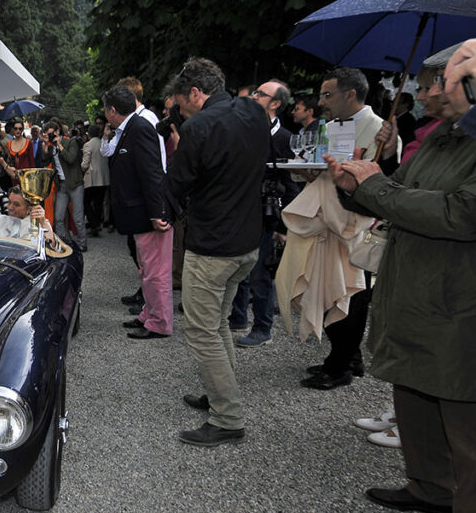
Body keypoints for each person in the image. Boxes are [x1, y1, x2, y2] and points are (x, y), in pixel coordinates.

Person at [324, 41, 476, 513]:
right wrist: (356, 184)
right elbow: (399, 192)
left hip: (460, 299)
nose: (431, 91)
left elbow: (461, 214)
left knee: (462, 410)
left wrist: (379, 190)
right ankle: (430, 486)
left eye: (442, 82)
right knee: (414, 391)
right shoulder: (442, 137)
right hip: (416, 289)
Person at [165, 57, 271, 447]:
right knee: (221, 321)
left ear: (195, 92)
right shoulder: (254, 112)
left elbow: (178, 183)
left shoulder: (199, 126)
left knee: (202, 330)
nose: (179, 108)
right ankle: (220, 393)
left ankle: (227, 417)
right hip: (247, 242)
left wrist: (180, 143)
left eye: (180, 100)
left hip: (212, 246)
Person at [295, 67, 398, 390]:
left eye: (328, 95)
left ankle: (340, 364)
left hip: (354, 225)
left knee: (349, 293)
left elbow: (385, 178)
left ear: (350, 94)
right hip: (328, 218)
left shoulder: (379, 127)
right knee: (329, 290)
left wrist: (389, 151)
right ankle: (345, 356)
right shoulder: (334, 125)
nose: (322, 102)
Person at [228, 80, 296, 347]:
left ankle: (263, 327)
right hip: (242, 210)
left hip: (268, 214)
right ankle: (238, 316)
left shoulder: (284, 138)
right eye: (254, 91)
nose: (254, 96)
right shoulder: (244, 131)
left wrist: (283, 226)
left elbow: (291, 185)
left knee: (260, 273)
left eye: (260, 94)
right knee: (239, 269)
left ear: (276, 103)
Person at [102, 85, 172, 340]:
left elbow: (152, 173)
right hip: (141, 215)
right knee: (147, 270)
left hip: (149, 215)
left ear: (112, 110)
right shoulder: (131, 127)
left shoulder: (140, 128)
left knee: (155, 272)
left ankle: (160, 322)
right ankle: (149, 314)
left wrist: (158, 213)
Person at [44, 120, 87, 252]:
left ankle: (82, 244)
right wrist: (46, 146)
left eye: (51, 134)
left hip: (75, 184)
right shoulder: (51, 146)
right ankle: (62, 244)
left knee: (78, 217)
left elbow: (71, 159)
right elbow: (44, 160)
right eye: (47, 134)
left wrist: (60, 145)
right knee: (58, 218)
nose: (50, 137)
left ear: (57, 132)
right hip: (62, 186)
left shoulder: (71, 142)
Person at [81, 124, 109, 237]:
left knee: (86, 202)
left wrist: (81, 168)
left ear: (89, 134)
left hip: (92, 177)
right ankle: (96, 224)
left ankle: (94, 223)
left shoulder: (88, 145)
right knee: (98, 202)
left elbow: (85, 164)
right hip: (104, 177)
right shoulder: (104, 143)